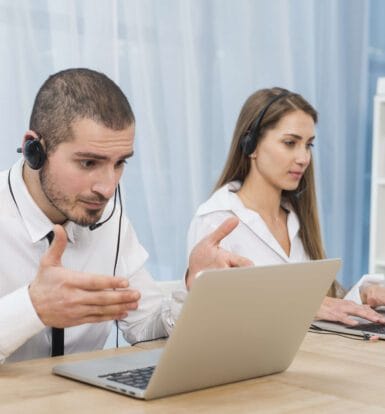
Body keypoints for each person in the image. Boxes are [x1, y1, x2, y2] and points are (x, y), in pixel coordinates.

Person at [0, 68, 251, 363]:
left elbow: (146, 329)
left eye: (119, 163)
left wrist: (196, 288)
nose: (107, 188)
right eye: (88, 162)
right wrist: (32, 308)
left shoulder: (108, 219)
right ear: (35, 150)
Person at [187, 87, 385, 325]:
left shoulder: (297, 218)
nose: (303, 158)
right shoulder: (216, 220)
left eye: (309, 145)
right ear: (251, 145)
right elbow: (213, 322)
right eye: (290, 143)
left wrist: (362, 296)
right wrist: (300, 306)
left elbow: (321, 307)